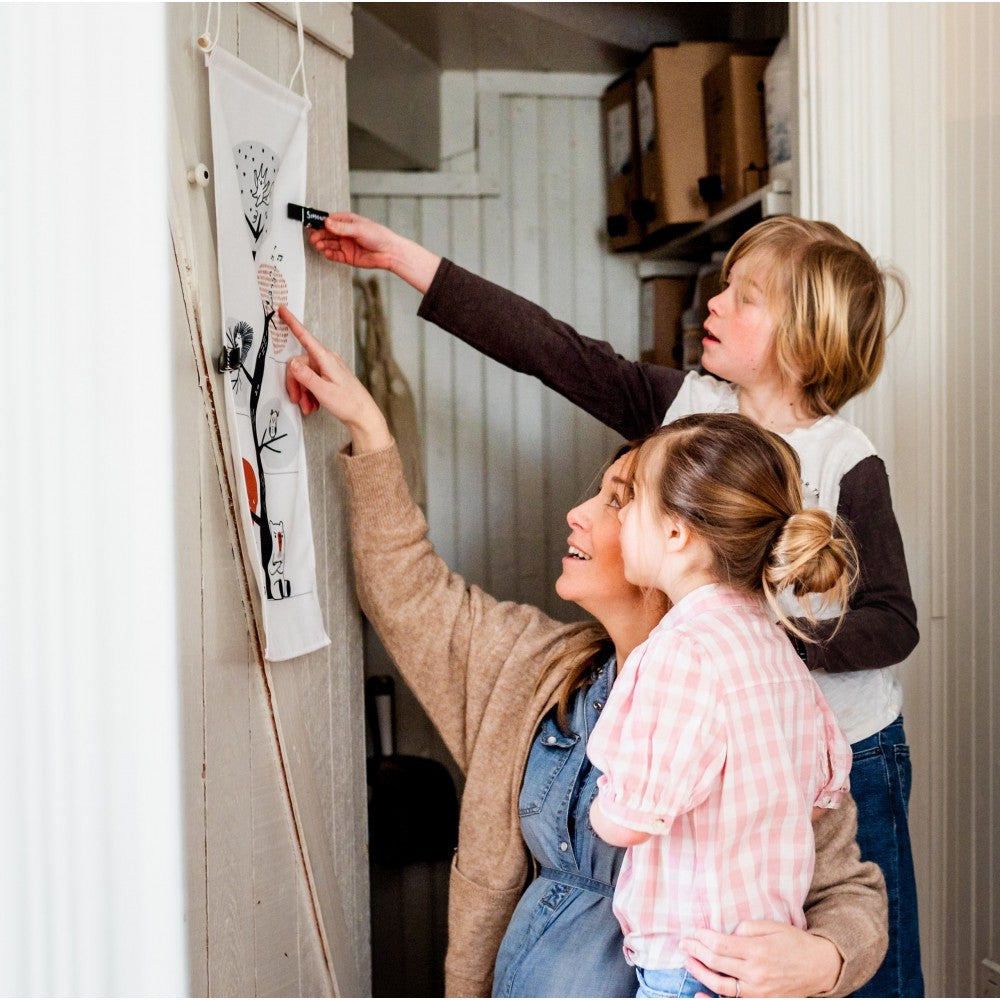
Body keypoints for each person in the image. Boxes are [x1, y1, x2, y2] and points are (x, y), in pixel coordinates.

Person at [305, 213, 922, 998]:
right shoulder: (689, 407)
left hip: (848, 733)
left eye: (745, 296)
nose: (715, 303)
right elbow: (557, 352)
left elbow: (892, 620)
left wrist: (752, 641)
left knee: (875, 969)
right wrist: (406, 263)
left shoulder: (843, 464)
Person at [584, 415, 855, 998]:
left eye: (631, 502)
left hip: (692, 967)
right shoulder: (778, 650)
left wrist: (602, 810)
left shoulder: (682, 652)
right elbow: (813, 800)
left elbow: (629, 820)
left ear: (678, 532)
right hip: (765, 965)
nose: (622, 517)